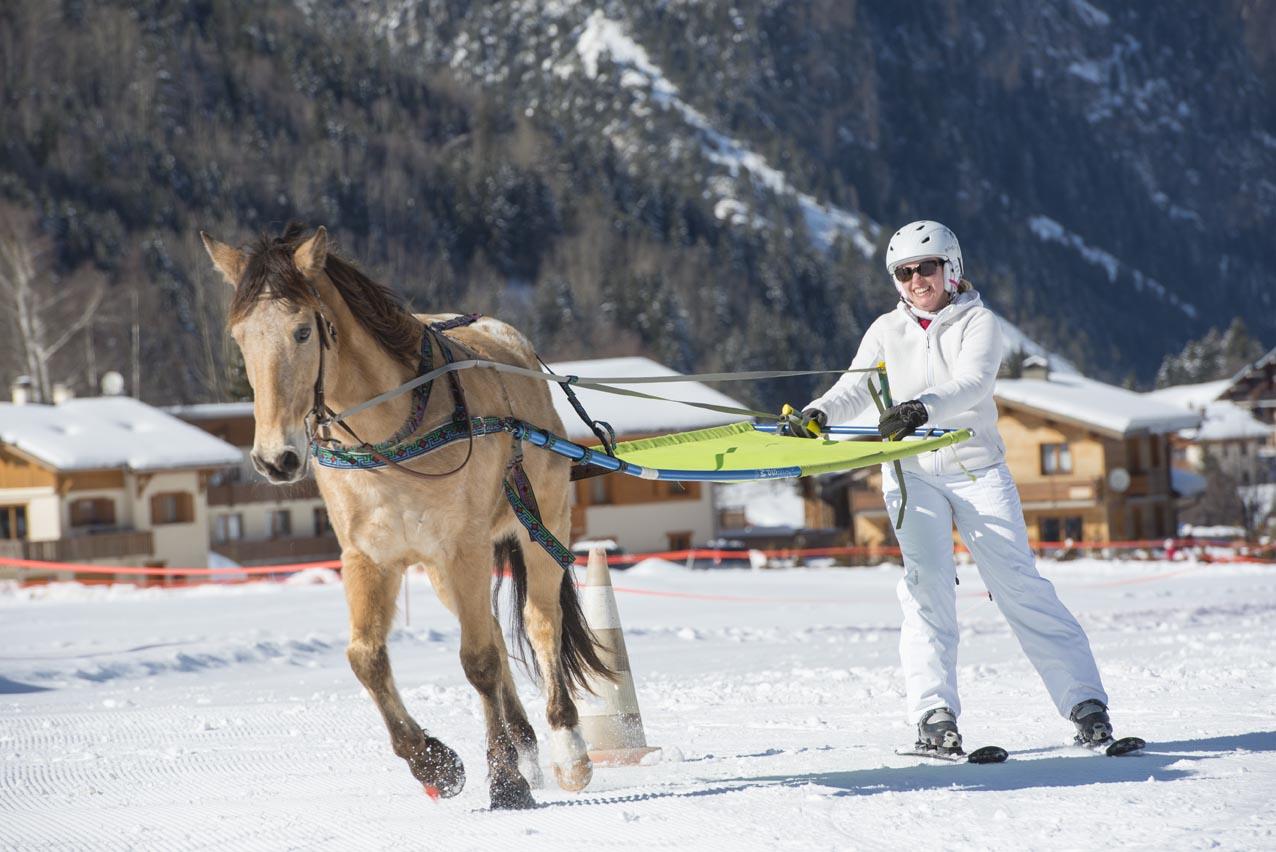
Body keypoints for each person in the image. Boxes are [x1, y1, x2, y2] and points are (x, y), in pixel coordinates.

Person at [781, 220, 1115, 753]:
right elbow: (854, 387)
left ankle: (1086, 705)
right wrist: (818, 412)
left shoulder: (978, 322)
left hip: (976, 470)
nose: (917, 281)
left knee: (1019, 585)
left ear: (951, 269)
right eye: (905, 272)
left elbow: (974, 383)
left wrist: (920, 408)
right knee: (926, 592)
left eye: (926, 268)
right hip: (911, 477)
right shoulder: (886, 330)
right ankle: (935, 717)